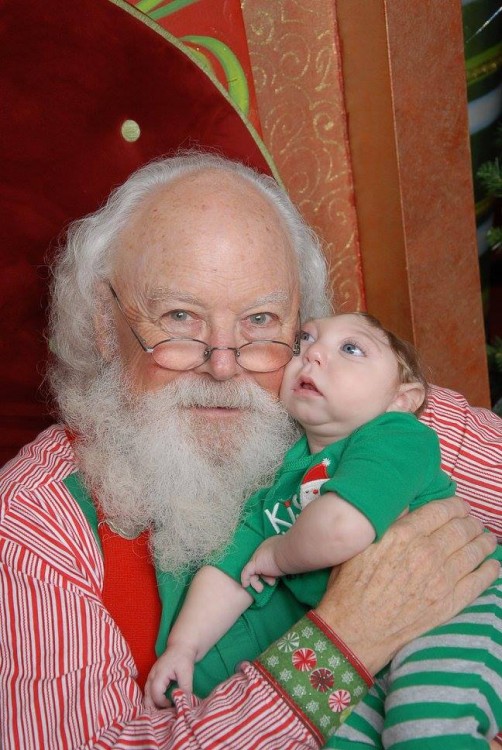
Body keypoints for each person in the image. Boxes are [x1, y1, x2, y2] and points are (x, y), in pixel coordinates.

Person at [0, 151, 500, 750]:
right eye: (180, 317)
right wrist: (345, 643)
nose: (223, 364)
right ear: (109, 328)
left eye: (260, 320)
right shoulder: (34, 523)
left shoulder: (359, 409)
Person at [145, 312, 501, 748]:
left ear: (402, 398)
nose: (312, 353)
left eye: (351, 349)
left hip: (463, 601)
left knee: (425, 724)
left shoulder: (397, 435)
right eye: (303, 343)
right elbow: (231, 568)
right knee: (334, 736)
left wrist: (276, 554)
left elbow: (342, 527)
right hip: (374, 646)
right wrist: (185, 646)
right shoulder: (281, 479)